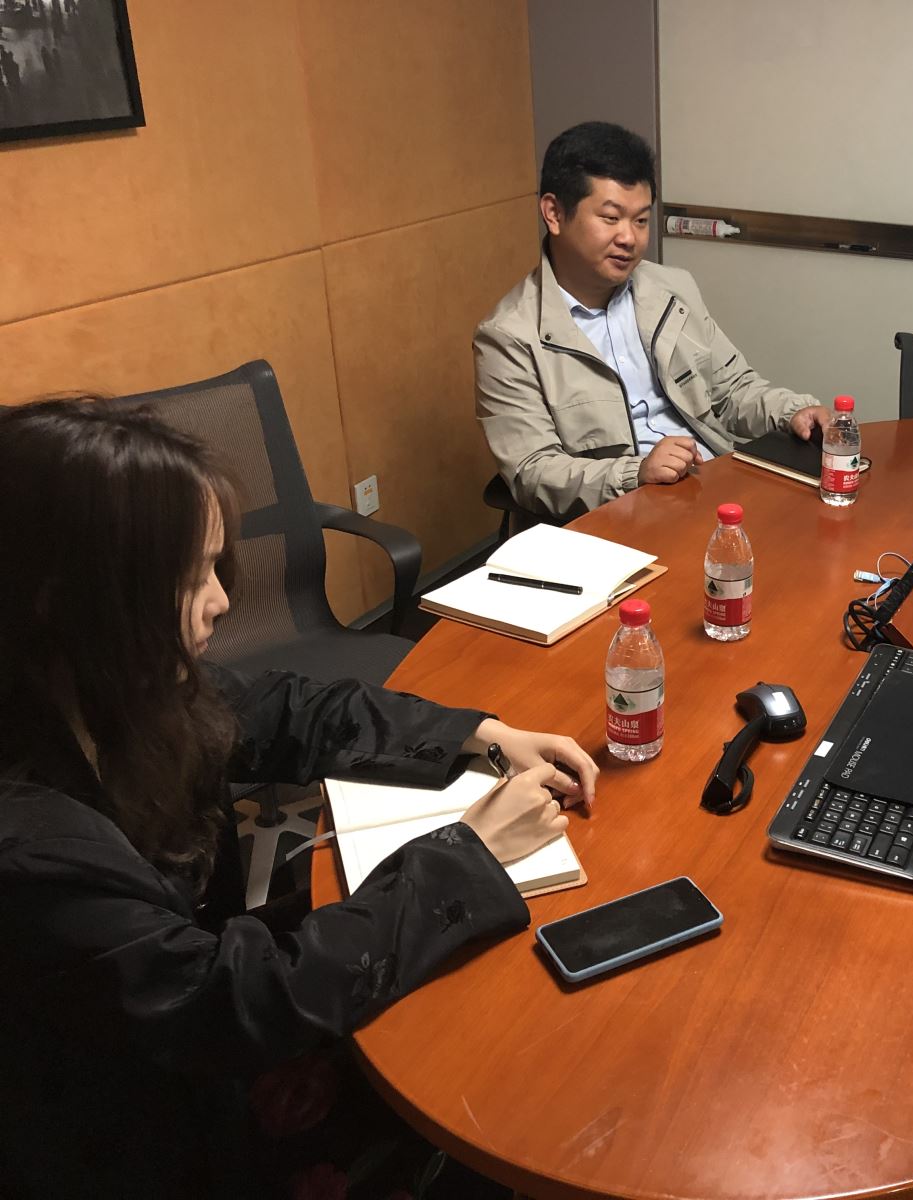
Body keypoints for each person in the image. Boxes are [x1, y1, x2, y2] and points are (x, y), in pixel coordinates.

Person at [0, 399, 599, 1198]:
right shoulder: (30, 846)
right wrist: (469, 854)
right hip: (124, 1132)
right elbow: (223, 1004)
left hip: (189, 1034)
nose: (220, 600)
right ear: (63, 597)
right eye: (188, 577)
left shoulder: (102, 684)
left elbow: (283, 710)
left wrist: (481, 734)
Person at [475, 120, 829, 518]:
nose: (629, 238)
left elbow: (730, 391)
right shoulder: (510, 336)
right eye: (611, 218)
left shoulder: (672, 289)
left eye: (641, 220)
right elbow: (533, 471)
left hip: (713, 488)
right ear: (554, 213)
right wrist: (636, 473)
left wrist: (791, 412)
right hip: (621, 518)